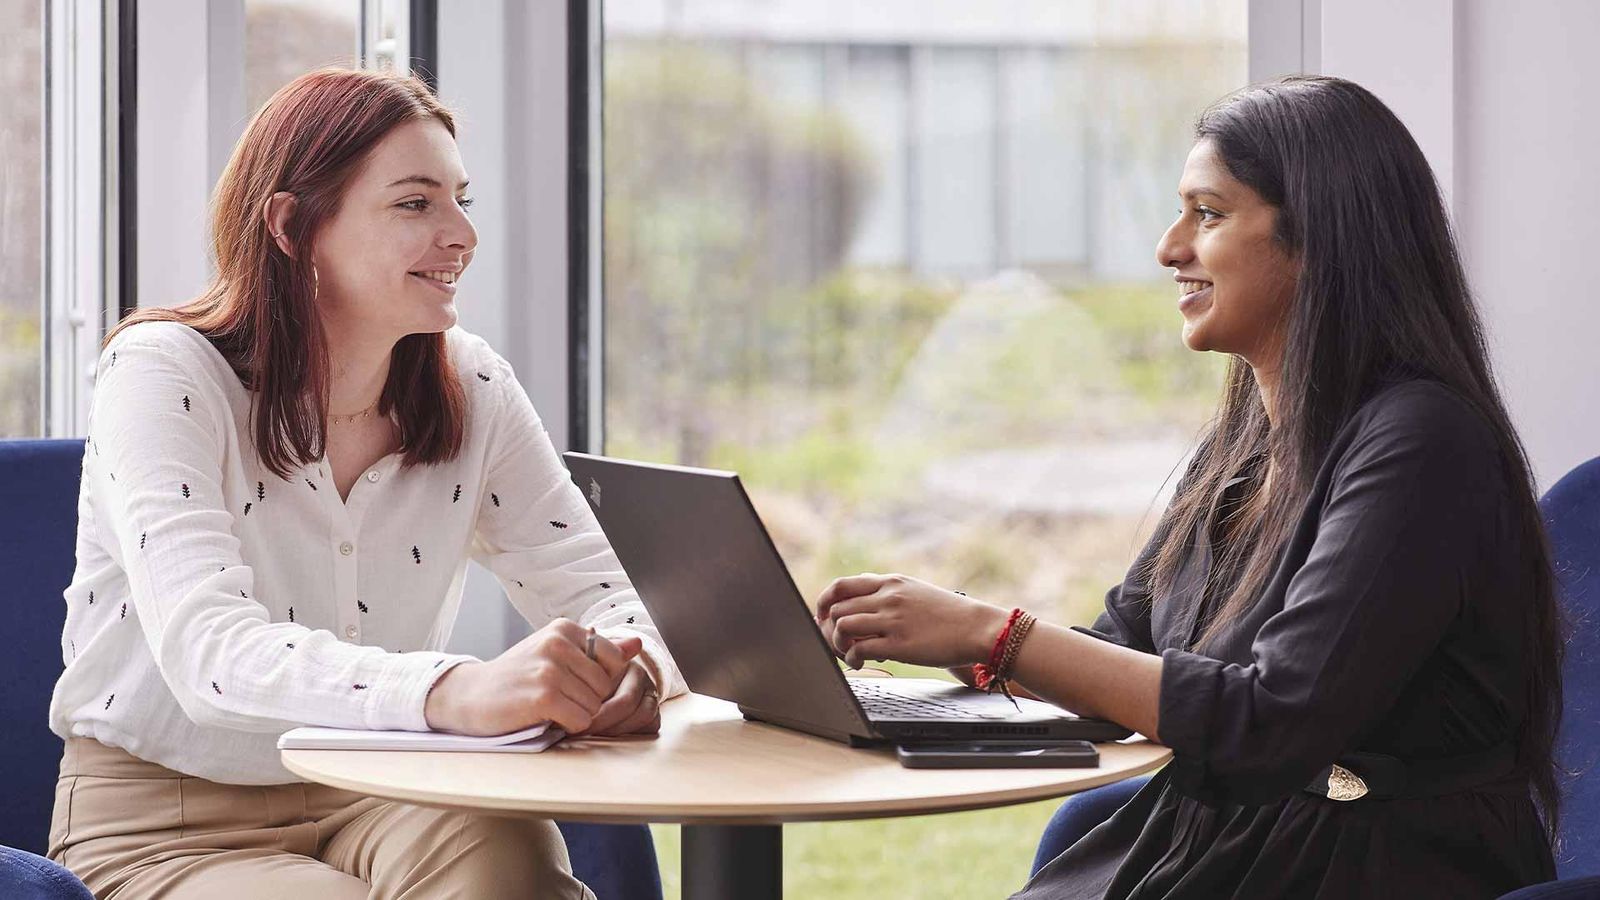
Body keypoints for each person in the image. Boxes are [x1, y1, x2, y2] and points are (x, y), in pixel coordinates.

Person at [816, 76, 1563, 899]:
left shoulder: (1423, 445)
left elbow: (1271, 721)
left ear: (1320, 236)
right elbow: (1122, 656)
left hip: (1367, 865)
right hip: (1230, 842)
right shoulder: (1245, 450)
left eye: (1207, 214)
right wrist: (955, 639)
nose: (1170, 248)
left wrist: (995, 631)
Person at [45, 67, 684, 899]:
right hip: (168, 822)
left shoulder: (472, 385)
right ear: (292, 225)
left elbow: (610, 594)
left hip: (392, 787)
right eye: (416, 204)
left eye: (462, 199)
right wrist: (459, 688)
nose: (461, 234)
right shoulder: (161, 373)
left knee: (511, 860)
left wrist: (628, 672)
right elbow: (209, 652)